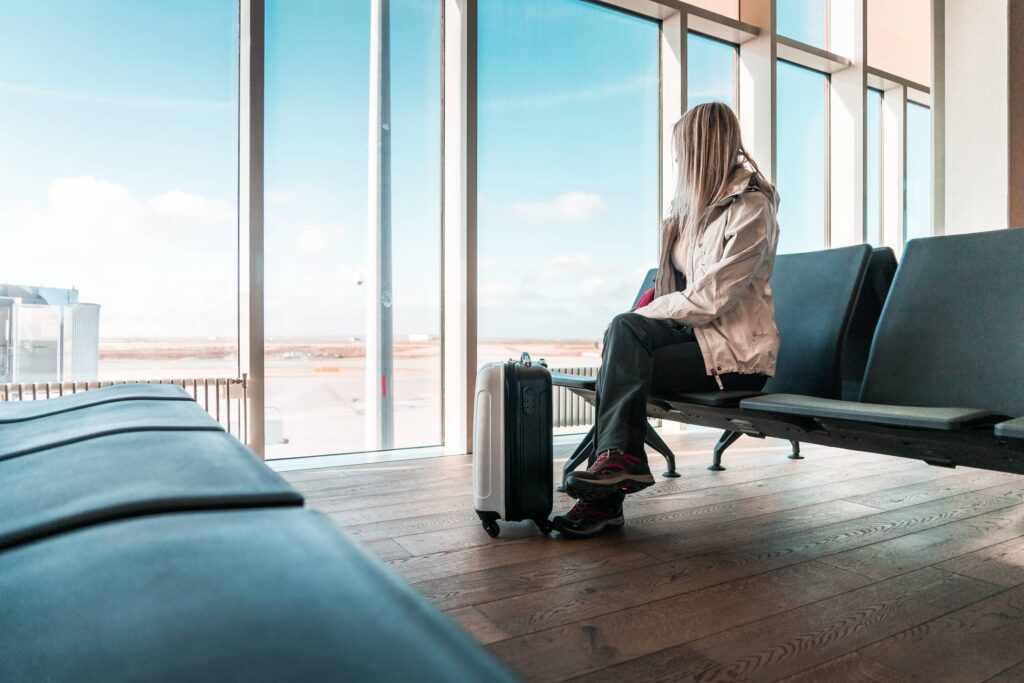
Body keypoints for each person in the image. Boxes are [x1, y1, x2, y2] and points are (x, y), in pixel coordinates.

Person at [553, 102, 781, 538]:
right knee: (624, 343)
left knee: (622, 358)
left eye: (682, 154)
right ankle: (617, 470)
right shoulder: (688, 216)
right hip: (695, 349)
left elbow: (709, 299)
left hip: (734, 361)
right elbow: (672, 294)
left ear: (701, 151)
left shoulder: (751, 208)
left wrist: (636, 317)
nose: (678, 164)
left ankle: (607, 492)